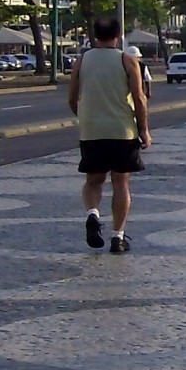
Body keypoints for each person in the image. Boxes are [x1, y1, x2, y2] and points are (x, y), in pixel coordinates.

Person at [68, 16, 151, 255]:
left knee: (93, 181)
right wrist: (144, 130)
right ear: (119, 35)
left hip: (92, 130)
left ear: (95, 34)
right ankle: (118, 236)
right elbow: (139, 98)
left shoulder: (81, 61)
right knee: (121, 183)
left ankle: (92, 214)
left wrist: (84, 116)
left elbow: (72, 98)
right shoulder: (127, 60)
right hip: (122, 131)